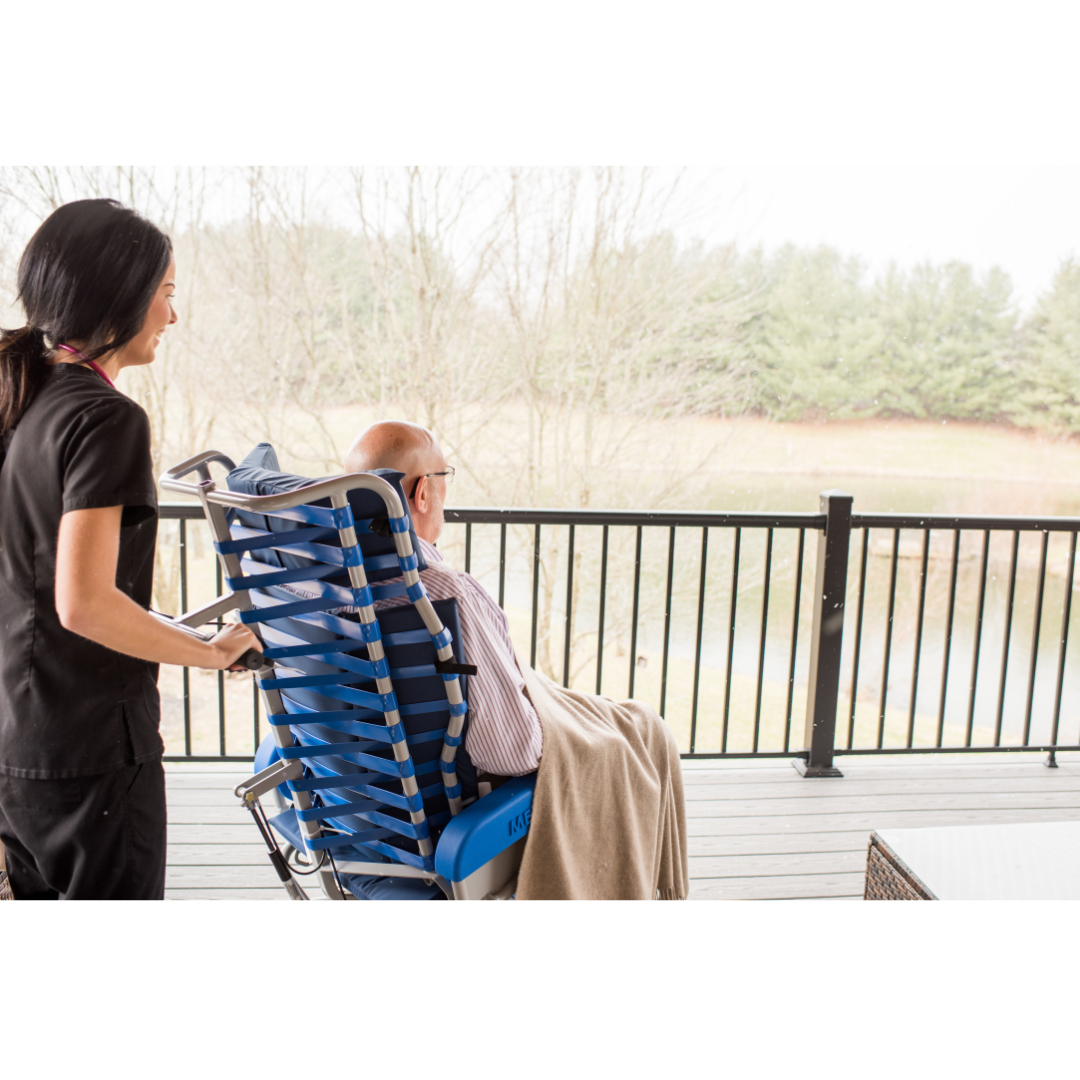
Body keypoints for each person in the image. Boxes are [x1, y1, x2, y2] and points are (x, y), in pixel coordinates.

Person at [0, 199, 261, 900]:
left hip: (21, 749)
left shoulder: (27, 401)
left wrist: (187, 632)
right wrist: (206, 653)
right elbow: (84, 604)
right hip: (93, 759)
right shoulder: (107, 417)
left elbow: (50, 592)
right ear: (119, 295)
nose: (172, 317)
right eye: (167, 294)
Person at [343, 421, 543, 777]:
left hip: (349, 790)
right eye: (443, 476)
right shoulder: (444, 594)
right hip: (445, 799)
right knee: (642, 730)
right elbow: (512, 754)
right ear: (422, 493)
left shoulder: (309, 593)